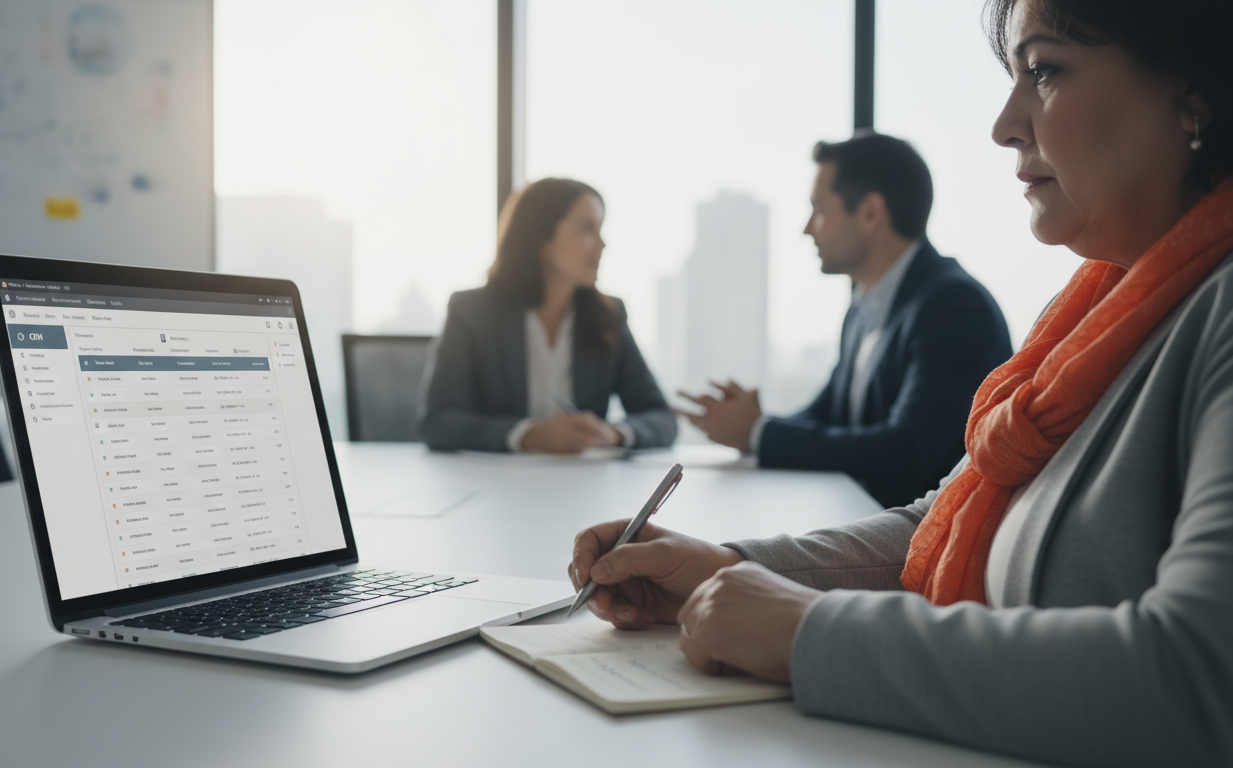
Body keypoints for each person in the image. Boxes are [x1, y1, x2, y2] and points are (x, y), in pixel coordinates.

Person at [570, 0, 1233, 765]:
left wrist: (803, 631)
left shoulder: (1205, 316)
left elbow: (1198, 682)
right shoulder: (1100, 311)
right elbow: (946, 517)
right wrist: (727, 568)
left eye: (1044, 71)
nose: (1004, 124)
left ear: (1195, 93)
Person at [678, 133, 1012, 508]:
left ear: (870, 213)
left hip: (923, 542)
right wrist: (750, 423)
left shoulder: (954, 306)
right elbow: (830, 414)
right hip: (865, 521)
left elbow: (906, 452)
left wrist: (759, 433)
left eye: (819, 209)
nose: (808, 227)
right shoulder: (864, 305)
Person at [420, 178, 676, 453]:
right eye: (587, 229)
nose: (602, 244)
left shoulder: (608, 316)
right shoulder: (472, 311)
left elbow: (661, 417)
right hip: (498, 485)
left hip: (584, 484)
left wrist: (612, 434)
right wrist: (530, 435)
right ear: (540, 238)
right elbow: (437, 422)